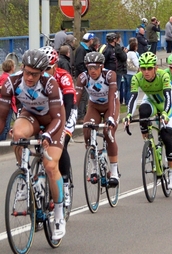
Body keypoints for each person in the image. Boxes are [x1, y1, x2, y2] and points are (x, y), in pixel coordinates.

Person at [0, 49, 67, 240]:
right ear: (22, 68)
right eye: (27, 72)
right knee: (18, 134)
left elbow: (57, 118)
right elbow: (2, 117)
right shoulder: (11, 82)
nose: (30, 78)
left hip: (53, 119)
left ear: (43, 72)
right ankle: (24, 174)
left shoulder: (50, 84)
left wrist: (47, 134)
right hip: (30, 116)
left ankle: (59, 215)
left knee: (50, 166)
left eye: (35, 74)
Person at [124, 52, 172, 189]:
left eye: (149, 68)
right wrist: (129, 115)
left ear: (155, 68)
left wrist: (165, 114)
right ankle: (148, 144)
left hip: (167, 104)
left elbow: (167, 96)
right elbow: (133, 98)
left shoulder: (163, 75)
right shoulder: (137, 78)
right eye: (143, 68)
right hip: (152, 102)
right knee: (143, 113)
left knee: (166, 135)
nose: (146, 72)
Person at [39, 46, 77, 207]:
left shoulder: (64, 77)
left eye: (48, 68)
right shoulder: (37, 78)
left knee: (61, 144)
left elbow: (68, 102)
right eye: (41, 69)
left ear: (55, 66)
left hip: (67, 112)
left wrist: (61, 125)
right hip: (48, 114)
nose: (44, 72)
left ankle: (66, 185)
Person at [75, 52, 120, 186]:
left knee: (108, 132)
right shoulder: (83, 77)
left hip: (110, 105)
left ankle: (114, 172)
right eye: (89, 68)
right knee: (87, 131)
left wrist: (111, 118)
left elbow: (112, 97)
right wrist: (69, 116)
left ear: (102, 67)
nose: (92, 71)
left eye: (95, 67)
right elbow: (76, 99)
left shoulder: (110, 75)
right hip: (94, 106)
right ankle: (94, 167)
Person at [74, 32, 95, 124]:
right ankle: (80, 116)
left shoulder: (86, 49)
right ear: (90, 40)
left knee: (85, 97)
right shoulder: (81, 50)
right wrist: (85, 73)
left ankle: (84, 114)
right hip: (82, 76)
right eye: (92, 39)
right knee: (82, 97)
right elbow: (79, 63)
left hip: (84, 75)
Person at [0, 59, 17, 140]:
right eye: (13, 65)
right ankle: (2, 144)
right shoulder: (6, 78)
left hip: (7, 104)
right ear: (11, 67)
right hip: (7, 105)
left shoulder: (5, 76)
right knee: (5, 126)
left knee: (5, 126)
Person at [124, 41, 139, 105]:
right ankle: (129, 102)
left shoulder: (127, 53)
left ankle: (126, 101)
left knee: (126, 88)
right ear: (135, 47)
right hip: (132, 73)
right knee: (131, 88)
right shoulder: (133, 54)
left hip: (126, 72)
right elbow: (136, 64)